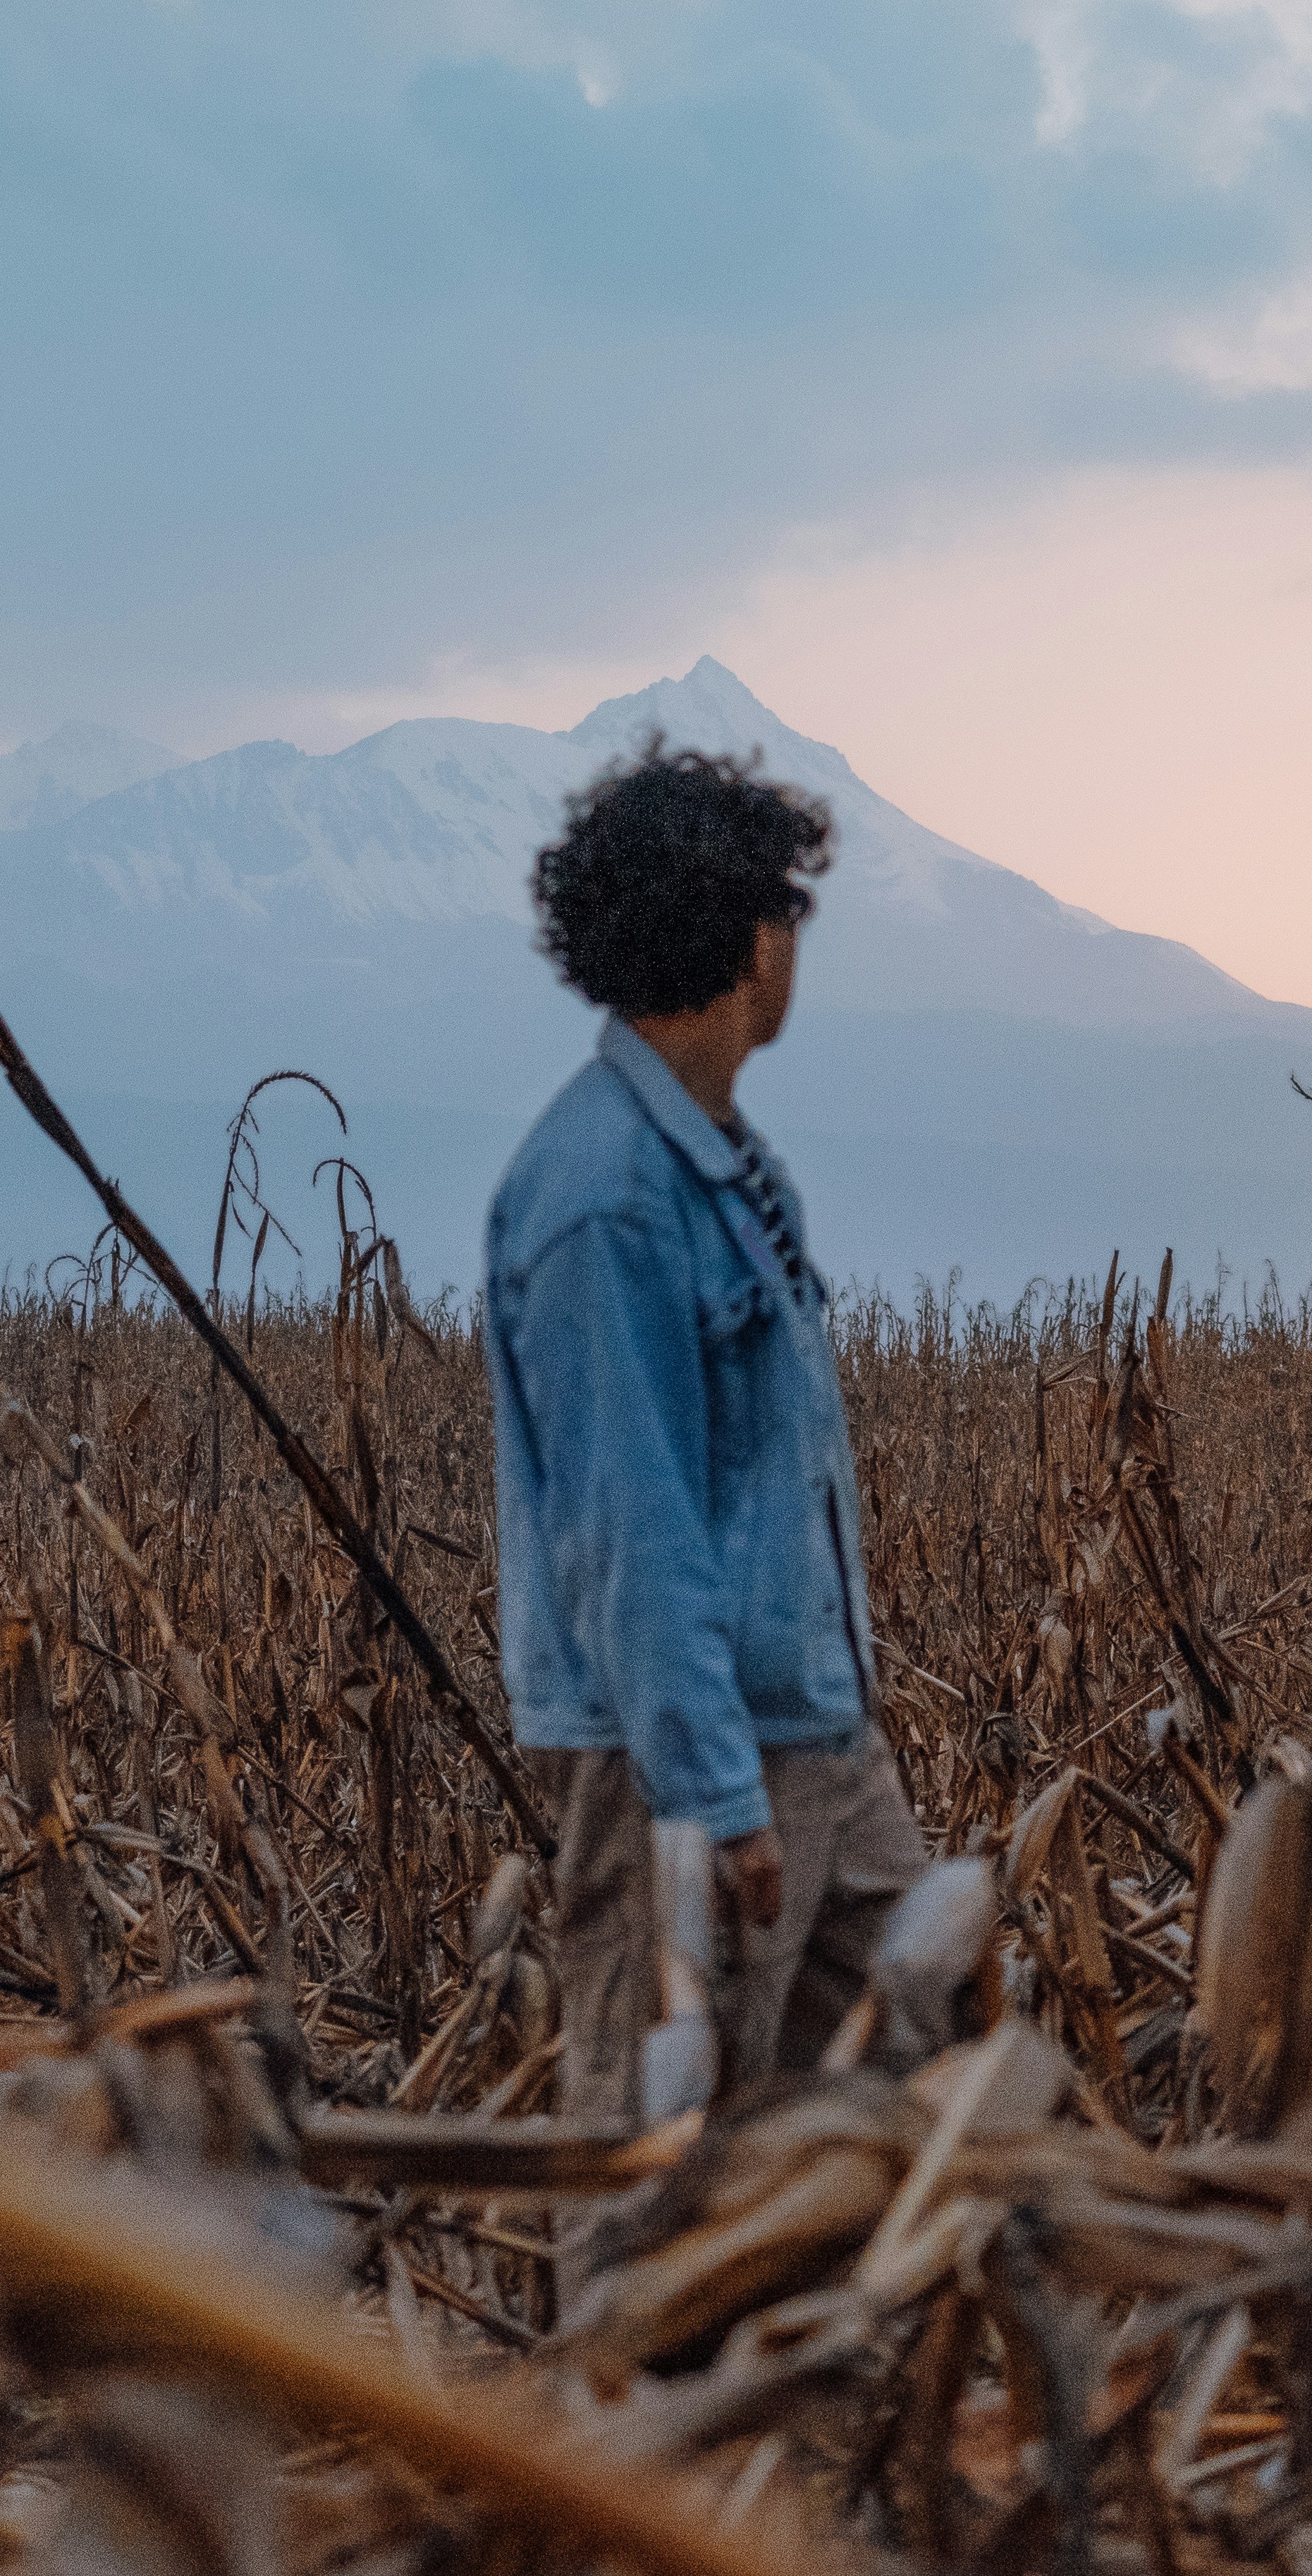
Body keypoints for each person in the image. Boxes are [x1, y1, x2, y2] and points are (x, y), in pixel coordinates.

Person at [486, 742, 929, 2126]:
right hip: (687, 1767)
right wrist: (716, 1797)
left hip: (817, 1740)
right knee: (657, 2147)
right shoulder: (606, 1200)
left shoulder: (724, 1161)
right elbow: (635, 1530)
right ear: (750, 939)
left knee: (907, 2094)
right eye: (788, 914)